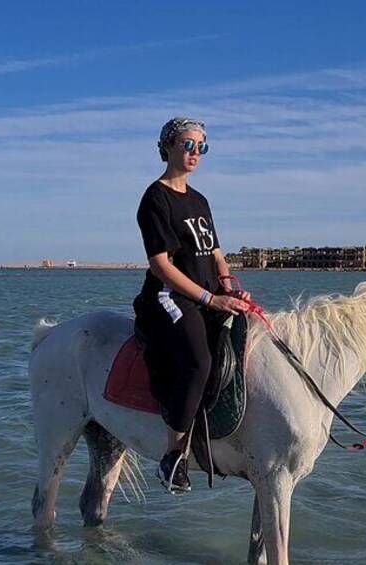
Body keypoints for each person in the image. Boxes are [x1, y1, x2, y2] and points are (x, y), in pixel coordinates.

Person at [133, 117, 251, 493]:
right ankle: (173, 457)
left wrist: (230, 288)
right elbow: (161, 265)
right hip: (169, 297)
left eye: (202, 146)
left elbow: (217, 256)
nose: (195, 153)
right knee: (199, 361)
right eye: (188, 144)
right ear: (168, 146)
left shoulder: (200, 200)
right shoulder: (155, 198)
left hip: (207, 295)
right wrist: (210, 298)